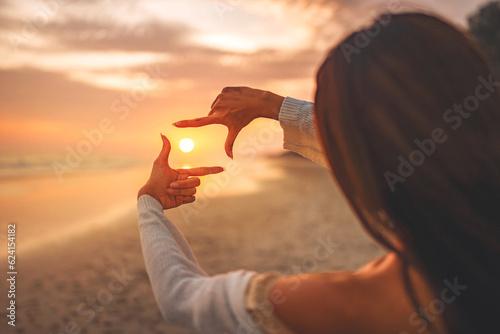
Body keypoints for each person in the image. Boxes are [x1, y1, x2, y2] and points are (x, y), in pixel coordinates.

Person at [137, 12, 500, 334]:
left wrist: (150, 203)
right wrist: (273, 106)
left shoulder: (363, 299)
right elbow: (393, 148)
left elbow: (181, 297)